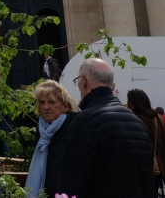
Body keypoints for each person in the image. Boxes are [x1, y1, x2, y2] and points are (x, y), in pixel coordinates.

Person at [56, 58, 154, 198]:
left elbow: (71, 182)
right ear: (112, 87)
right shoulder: (138, 123)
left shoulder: (85, 121)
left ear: (83, 81)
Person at [126, 90, 165, 197]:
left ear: (133, 102)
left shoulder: (137, 119)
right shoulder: (157, 117)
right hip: (159, 166)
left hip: (145, 166)